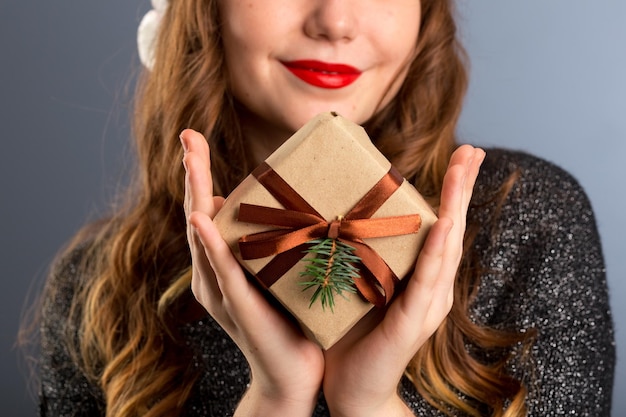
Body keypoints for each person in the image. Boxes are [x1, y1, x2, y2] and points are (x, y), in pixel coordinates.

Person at [38, 1, 615, 416]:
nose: (335, 20)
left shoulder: (529, 218)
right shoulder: (95, 287)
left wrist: (367, 404)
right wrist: (275, 399)